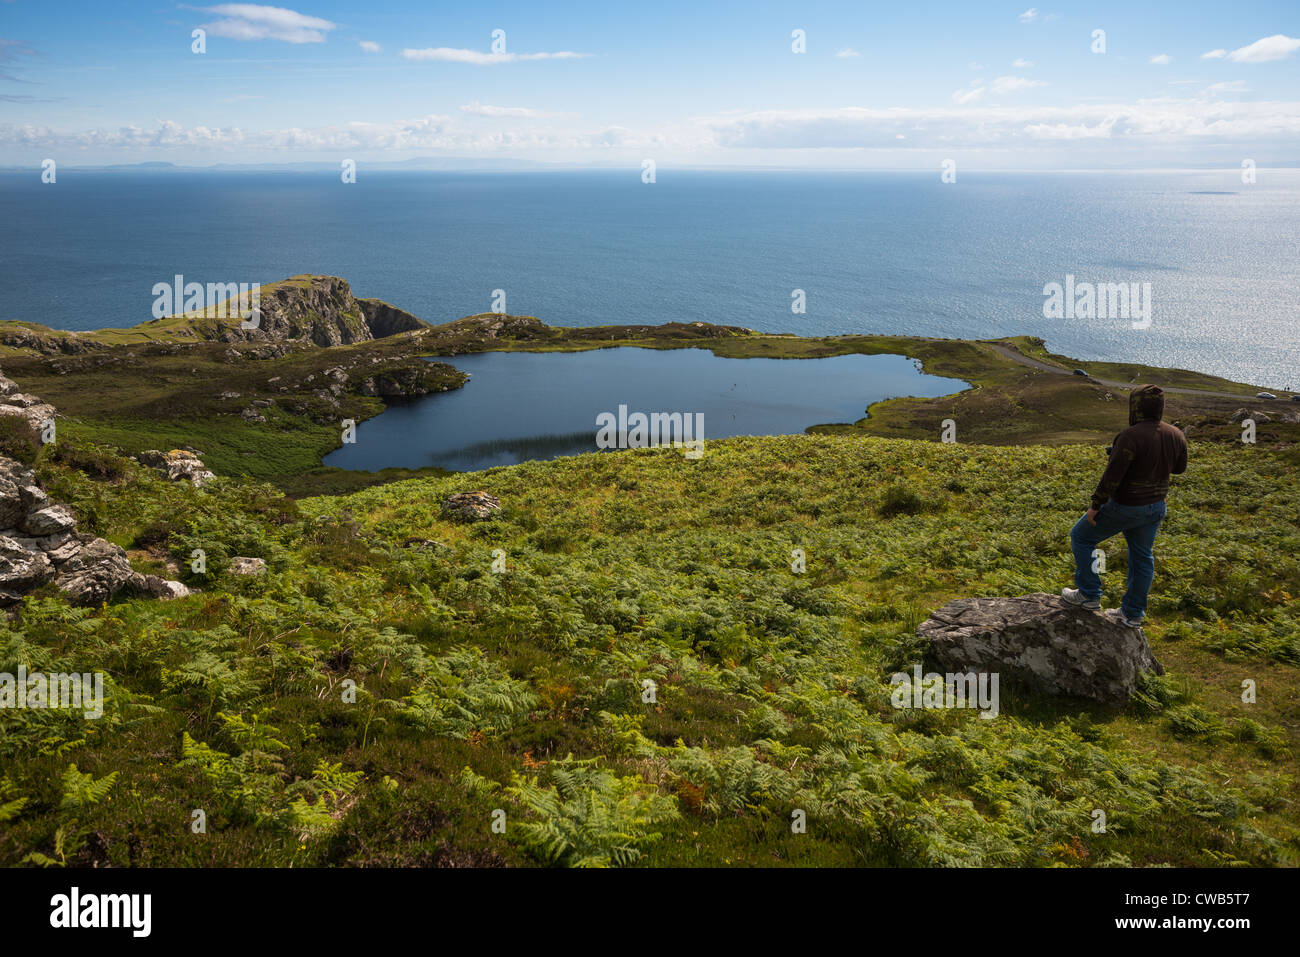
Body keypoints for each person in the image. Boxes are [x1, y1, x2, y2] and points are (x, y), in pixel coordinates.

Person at [1061, 384, 1188, 627]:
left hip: (1127, 505)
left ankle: (1088, 594)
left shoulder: (1130, 436)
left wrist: (1096, 504)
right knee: (1142, 557)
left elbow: (1113, 476)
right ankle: (1133, 613)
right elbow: (1179, 469)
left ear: (1135, 406)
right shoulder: (1176, 434)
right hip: (1156, 507)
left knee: (1081, 537)